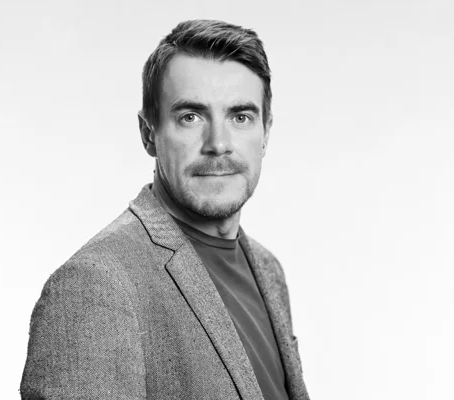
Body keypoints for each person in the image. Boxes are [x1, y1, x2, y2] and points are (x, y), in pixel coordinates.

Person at [20, 19, 310, 400]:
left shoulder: (268, 271)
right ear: (149, 134)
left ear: (266, 132)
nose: (218, 144)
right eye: (191, 117)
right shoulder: (95, 287)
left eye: (240, 117)